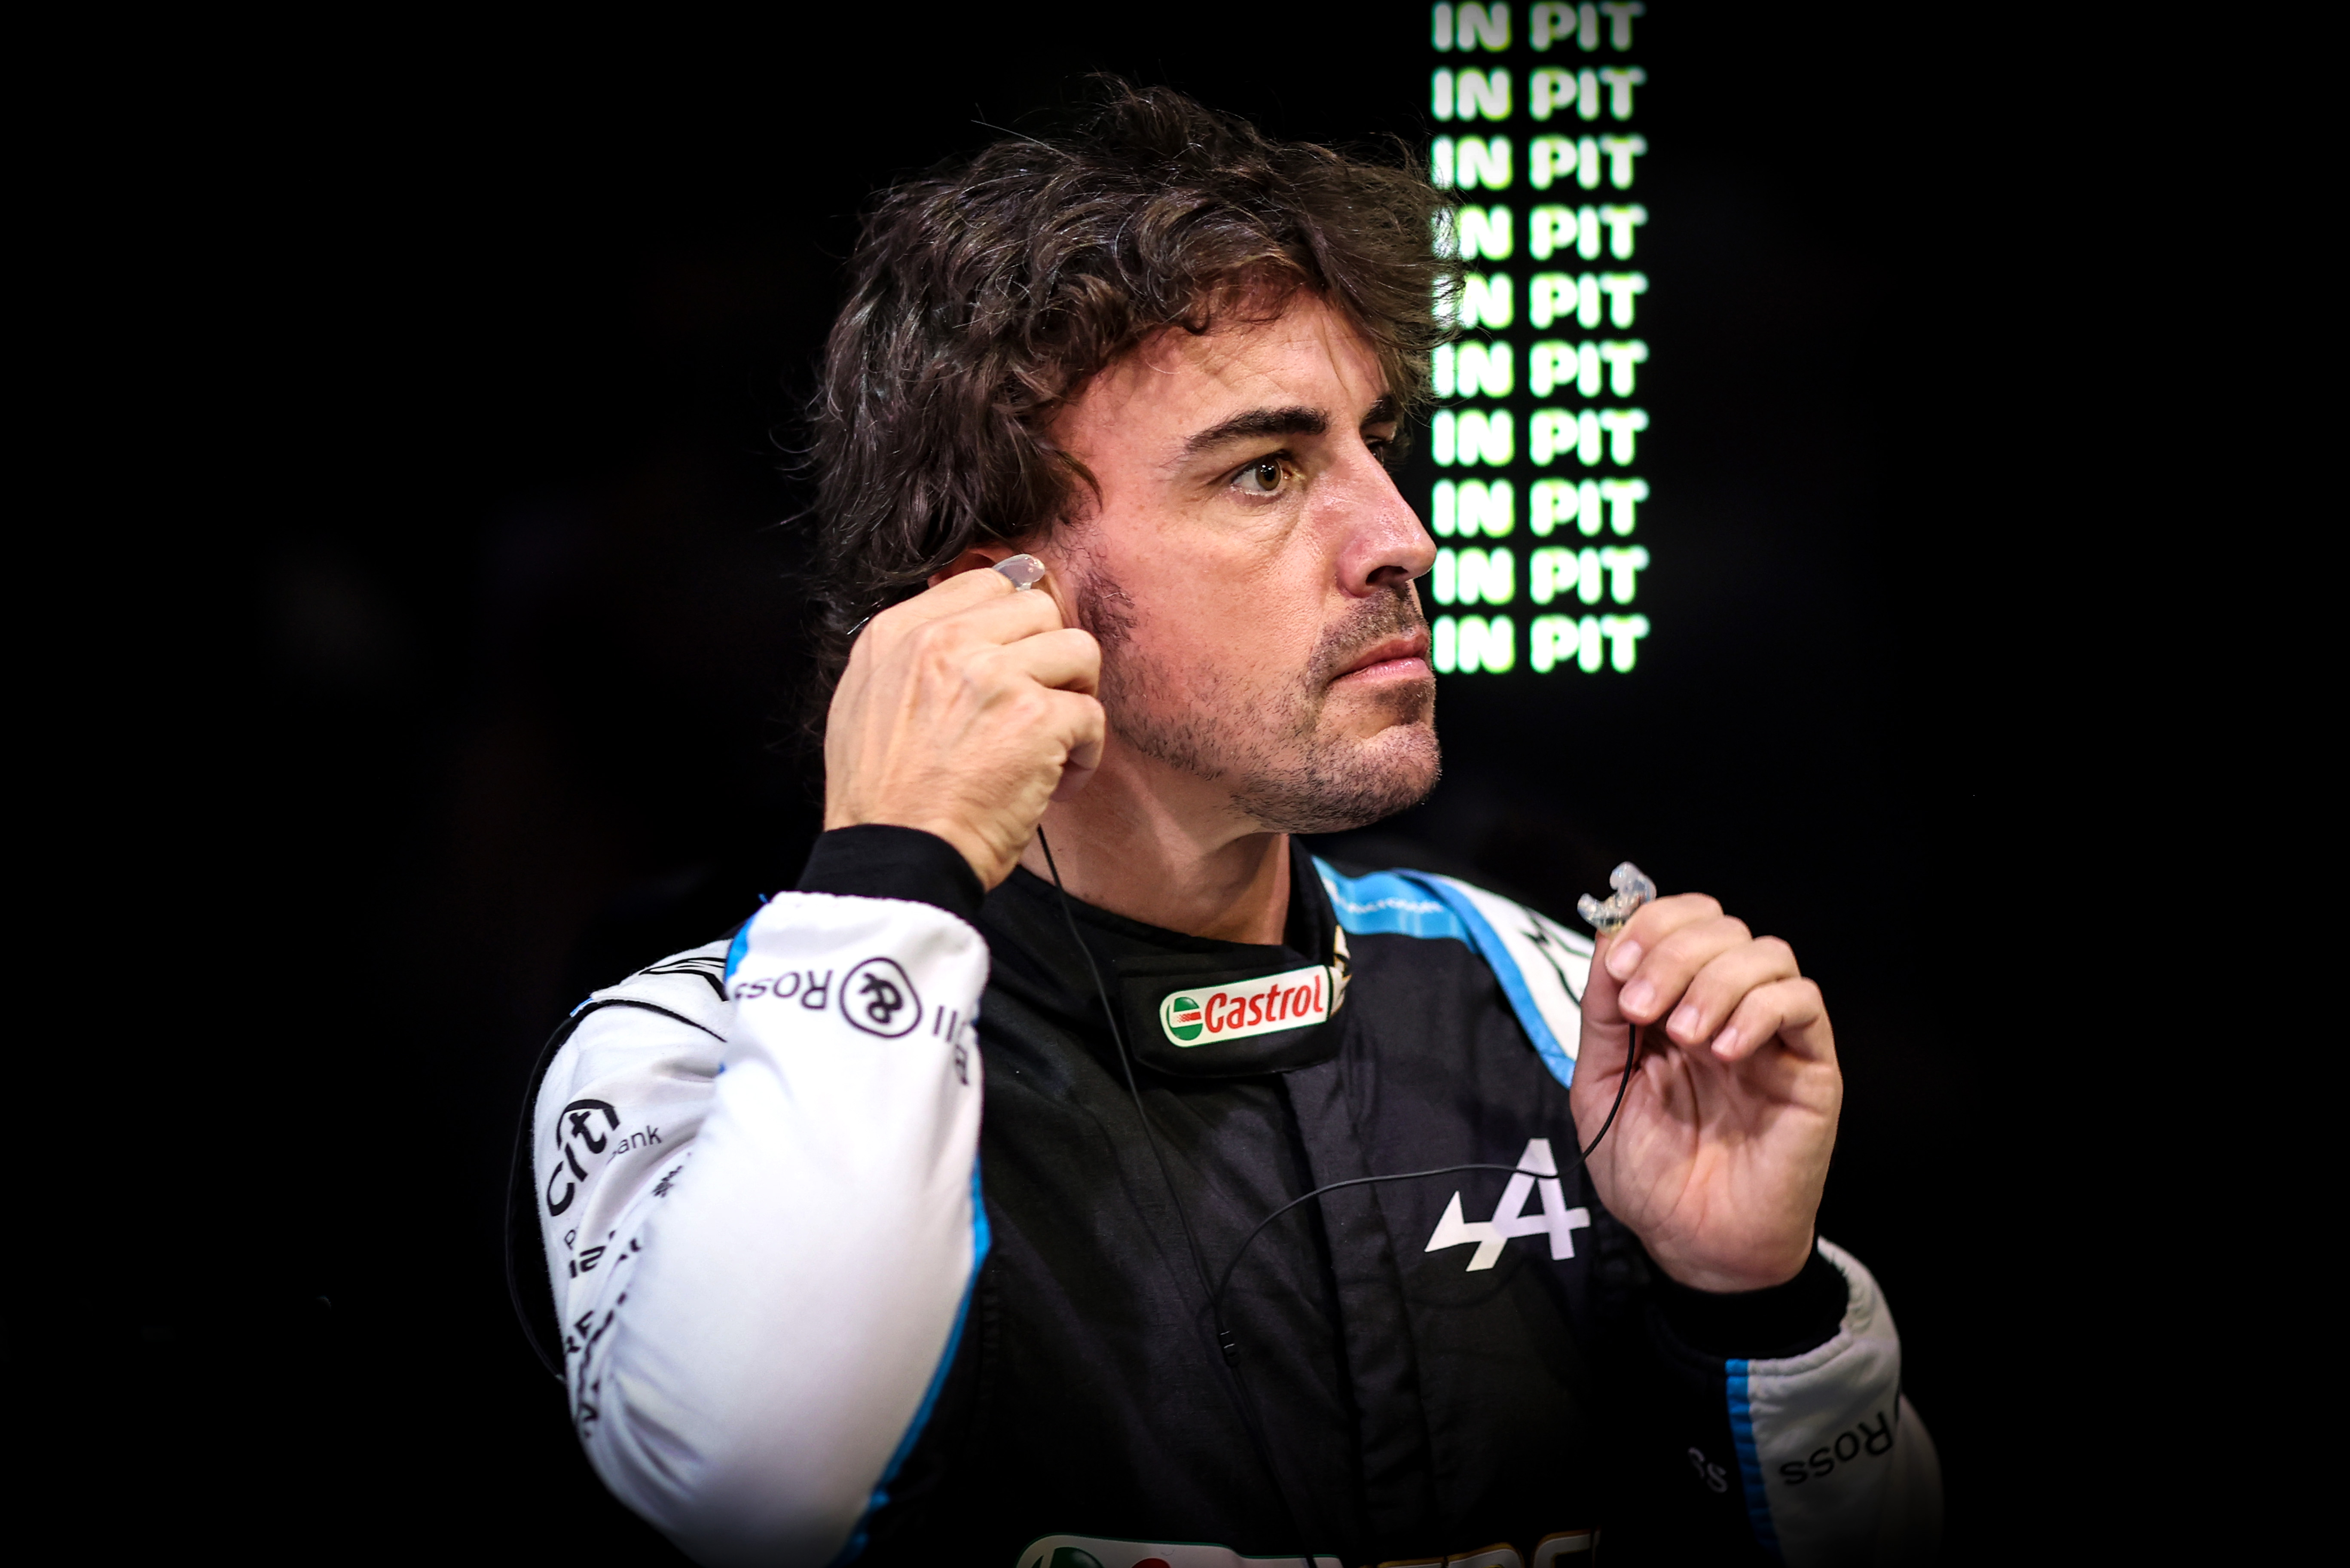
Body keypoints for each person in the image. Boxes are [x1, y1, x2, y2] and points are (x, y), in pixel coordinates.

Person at [519, 84, 1941, 1568]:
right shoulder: (691, 1056)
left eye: (1376, 444)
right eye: (1266, 471)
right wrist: (888, 874)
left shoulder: (1562, 1005)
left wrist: (1756, 1305)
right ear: (996, 604)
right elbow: (755, 1490)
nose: (1403, 536)